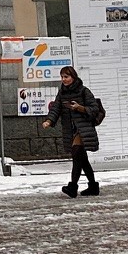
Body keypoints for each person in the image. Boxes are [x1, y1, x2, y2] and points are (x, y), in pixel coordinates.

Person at [40, 65, 103, 196]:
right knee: (82, 159)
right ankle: (93, 186)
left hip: (83, 130)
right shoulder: (62, 93)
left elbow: (94, 109)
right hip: (71, 130)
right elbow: (56, 109)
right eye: (62, 77)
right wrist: (49, 121)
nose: (64, 79)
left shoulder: (84, 91)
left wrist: (79, 107)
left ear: (73, 77)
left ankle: (73, 187)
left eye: (66, 76)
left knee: (76, 155)